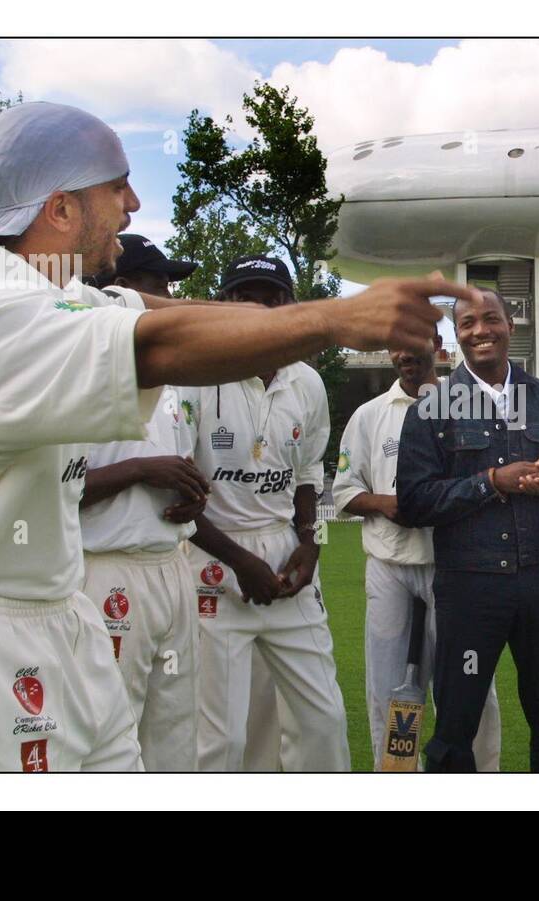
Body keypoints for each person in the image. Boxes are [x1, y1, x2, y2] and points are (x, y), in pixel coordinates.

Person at [0, 101, 469, 771]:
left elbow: (154, 311)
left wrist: (314, 316)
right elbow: (154, 340)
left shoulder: (50, 294)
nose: (131, 202)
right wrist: (333, 318)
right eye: (115, 185)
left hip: (61, 616)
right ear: (60, 208)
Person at [396, 289, 539, 772]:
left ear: (511, 325)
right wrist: (489, 482)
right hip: (470, 589)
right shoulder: (430, 410)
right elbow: (415, 501)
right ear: (457, 334)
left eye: (491, 319)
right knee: (456, 726)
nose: (480, 330)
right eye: (467, 323)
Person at [183, 253, 350, 772]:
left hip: (281, 552)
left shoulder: (307, 382)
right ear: (225, 302)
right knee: (222, 739)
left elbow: (306, 475)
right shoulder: (192, 374)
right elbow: (178, 503)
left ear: (290, 304)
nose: (260, 306)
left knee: (323, 718)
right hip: (212, 561)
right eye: (245, 294)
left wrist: (308, 540)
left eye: (273, 296)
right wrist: (239, 562)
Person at [333, 324, 502, 771]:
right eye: (397, 345)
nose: (406, 353)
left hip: (455, 567)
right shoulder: (370, 415)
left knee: (473, 688)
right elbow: (345, 491)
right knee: (389, 691)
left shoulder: (470, 407)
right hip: (390, 567)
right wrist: (389, 504)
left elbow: (487, 483)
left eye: (416, 343)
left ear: (438, 347)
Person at [78, 235, 205, 770]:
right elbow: (58, 489)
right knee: (111, 729)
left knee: (177, 731)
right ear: (123, 291)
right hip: (108, 572)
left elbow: (177, 463)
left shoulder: (174, 378)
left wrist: (190, 493)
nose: (170, 297)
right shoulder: (79, 370)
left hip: (173, 566)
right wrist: (140, 470)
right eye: (159, 286)